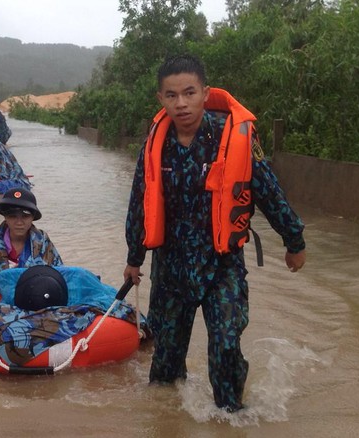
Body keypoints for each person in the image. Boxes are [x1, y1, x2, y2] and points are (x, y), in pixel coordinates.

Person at [122, 54, 306, 413]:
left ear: (205, 93)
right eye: (172, 95)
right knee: (165, 371)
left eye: (189, 93)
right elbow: (139, 204)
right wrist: (133, 259)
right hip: (171, 269)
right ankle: (168, 421)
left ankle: (232, 417)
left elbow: (269, 192)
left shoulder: (233, 138)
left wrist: (294, 241)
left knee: (224, 347)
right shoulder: (154, 145)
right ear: (161, 98)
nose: (182, 103)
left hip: (222, 266)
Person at [0, 187, 63, 296]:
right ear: (5, 217)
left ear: (33, 217)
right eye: (12, 216)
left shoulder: (43, 243)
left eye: (25, 216)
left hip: (36, 298)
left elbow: (60, 274)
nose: (19, 222)